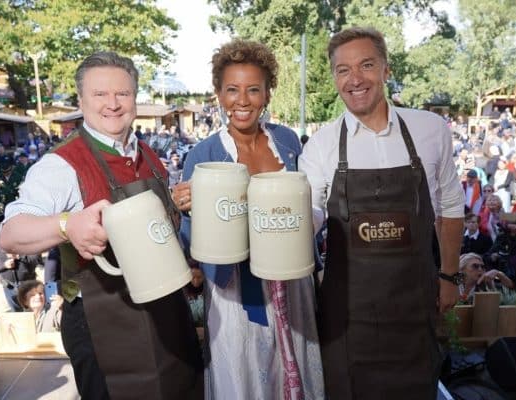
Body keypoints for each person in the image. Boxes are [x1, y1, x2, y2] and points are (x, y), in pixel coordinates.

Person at [0, 51, 202, 400]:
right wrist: (67, 224)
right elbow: (10, 234)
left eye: (122, 93)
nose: (113, 104)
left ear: (134, 99)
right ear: (81, 100)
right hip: (104, 322)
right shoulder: (60, 165)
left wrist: (176, 206)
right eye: (100, 94)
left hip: (167, 314)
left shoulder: (148, 157)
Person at [298, 27, 464, 399]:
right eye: (343, 70)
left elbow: (451, 208)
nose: (355, 79)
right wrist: (289, 226)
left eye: (366, 65)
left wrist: (450, 276)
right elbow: (310, 210)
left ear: (386, 70)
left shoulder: (430, 129)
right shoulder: (322, 145)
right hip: (347, 312)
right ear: (334, 78)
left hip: (413, 303)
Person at [172, 39, 323, 400]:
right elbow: (193, 239)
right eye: (232, 90)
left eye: (253, 89)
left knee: (297, 368)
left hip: (290, 280)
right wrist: (187, 209)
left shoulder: (287, 142)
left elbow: (307, 207)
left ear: (268, 94)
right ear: (219, 94)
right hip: (234, 290)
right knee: (245, 380)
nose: (243, 101)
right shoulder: (203, 153)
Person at [0, 241, 41, 311]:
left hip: (27, 285)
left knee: (31, 312)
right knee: (16, 314)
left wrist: (19, 256)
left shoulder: (28, 240)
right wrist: (4, 265)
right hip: (9, 287)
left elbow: (36, 259)